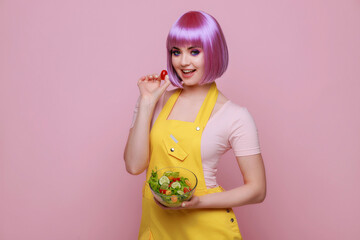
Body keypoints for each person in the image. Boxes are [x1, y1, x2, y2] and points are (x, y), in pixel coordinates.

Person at [124, 10, 266, 240]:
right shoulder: (155, 100)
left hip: (207, 231)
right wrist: (146, 104)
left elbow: (257, 190)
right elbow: (133, 166)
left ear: (213, 53)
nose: (183, 62)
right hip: (156, 230)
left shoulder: (235, 116)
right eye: (176, 52)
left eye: (195, 52)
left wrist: (197, 202)